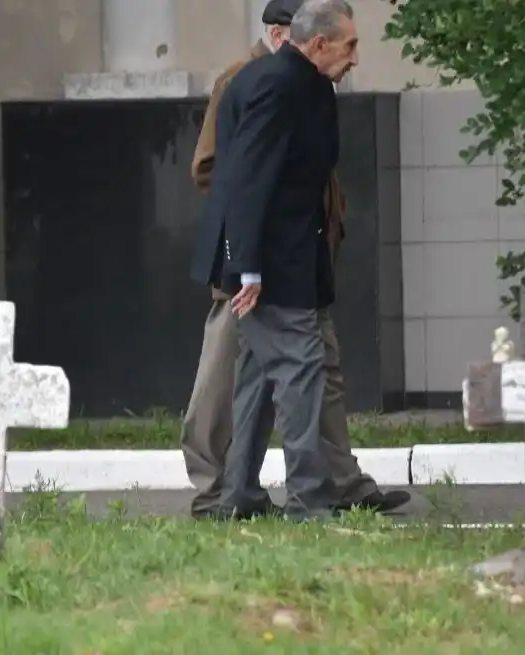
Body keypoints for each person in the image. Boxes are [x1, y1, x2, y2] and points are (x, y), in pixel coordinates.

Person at [181, 0, 410, 520]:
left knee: (260, 377)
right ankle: (308, 497)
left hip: (293, 260)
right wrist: (248, 266)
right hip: (269, 266)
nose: (356, 58)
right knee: (300, 371)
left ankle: (239, 494)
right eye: (350, 45)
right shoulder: (271, 84)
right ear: (318, 43)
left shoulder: (301, 84)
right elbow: (242, 179)